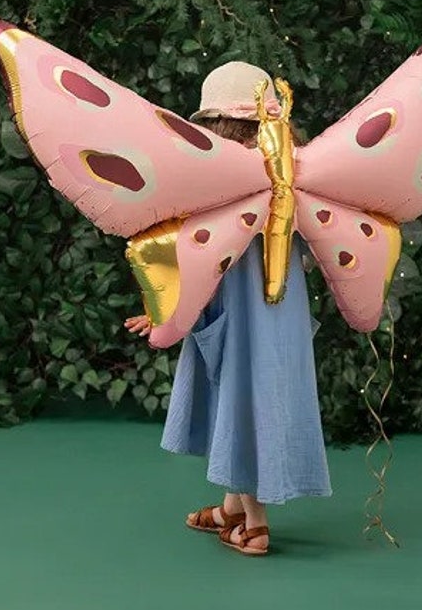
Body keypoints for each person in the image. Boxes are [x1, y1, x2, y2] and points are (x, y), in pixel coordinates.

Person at [125, 62, 331, 557]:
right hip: (276, 311)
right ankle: (233, 506)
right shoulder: (294, 171)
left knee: (246, 397)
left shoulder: (220, 177)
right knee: (244, 396)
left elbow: (186, 248)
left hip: (243, 311)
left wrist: (166, 307)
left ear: (217, 125)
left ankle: (255, 524)